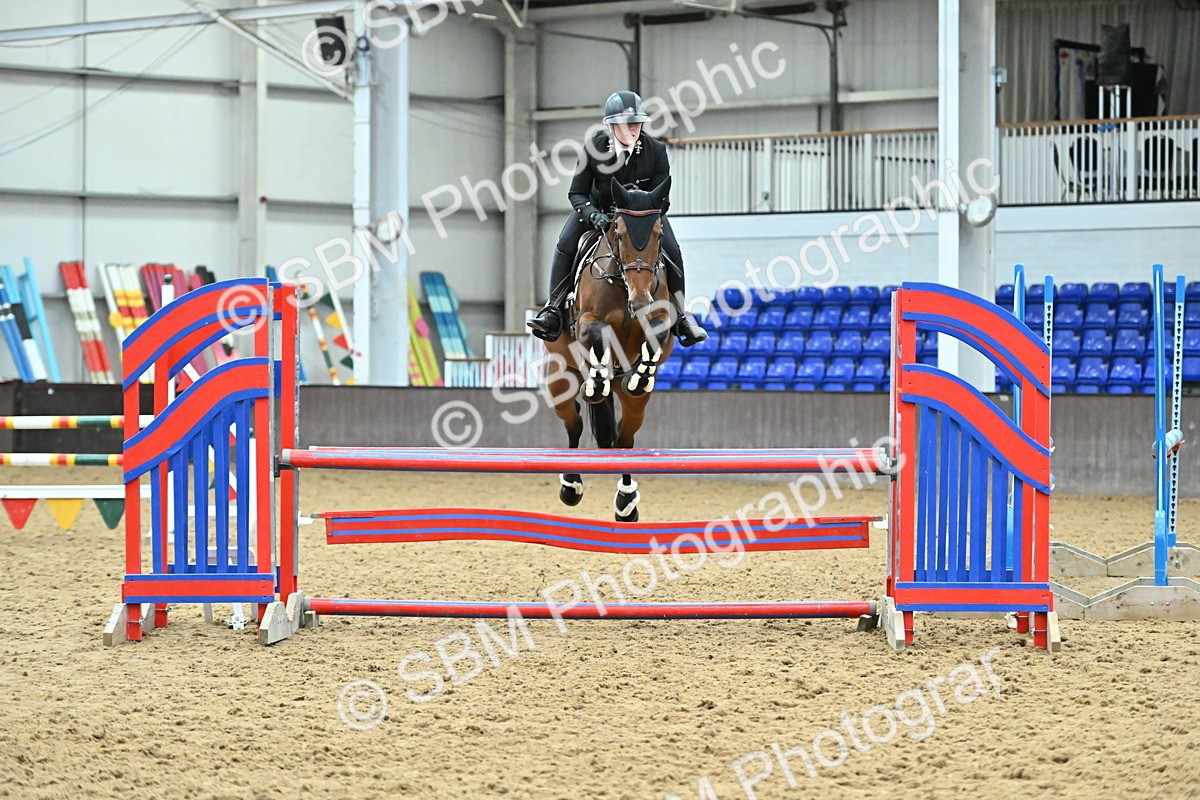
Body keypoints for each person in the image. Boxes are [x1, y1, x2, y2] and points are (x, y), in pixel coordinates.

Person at [527, 90, 708, 347]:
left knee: (673, 251)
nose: (632, 130)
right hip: (597, 211)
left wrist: (644, 214)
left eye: (636, 124)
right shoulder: (593, 149)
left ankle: (681, 316)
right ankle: (553, 309)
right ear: (610, 126)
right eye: (625, 124)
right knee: (565, 245)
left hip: (643, 216)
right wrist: (595, 216)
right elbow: (576, 193)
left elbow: (662, 199)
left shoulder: (655, 151)